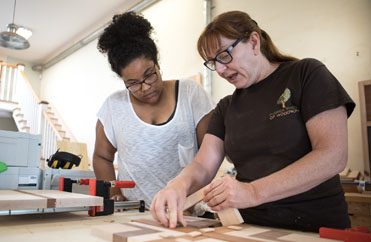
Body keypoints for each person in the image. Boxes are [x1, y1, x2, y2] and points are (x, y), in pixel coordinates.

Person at [150, 10, 355, 232]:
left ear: (254, 42)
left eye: (224, 55)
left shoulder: (306, 75)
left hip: (315, 228)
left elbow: (333, 156)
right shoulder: (226, 107)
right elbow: (202, 165)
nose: (219, 69)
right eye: (212, 62)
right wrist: (177, 186)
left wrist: (253, 192)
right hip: (250, 228)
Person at [93, 11, 214, 208]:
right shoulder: (113, 106)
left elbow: (210, 154)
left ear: (157, 64)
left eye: (149, 75)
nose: (145, 87)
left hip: (186, 213)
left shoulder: (190, 94)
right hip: (133, 215)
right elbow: (101, 157)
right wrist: (113, 192)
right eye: (133, 83)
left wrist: (193, 200)